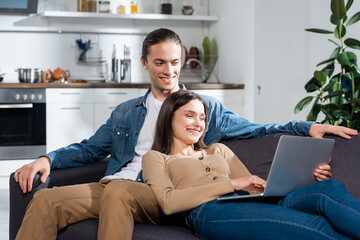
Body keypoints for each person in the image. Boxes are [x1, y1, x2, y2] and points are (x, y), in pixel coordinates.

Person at [14, 28, 357, 240]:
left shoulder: (203, 108)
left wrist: (305, 127)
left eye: (175, 61)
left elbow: (258, 130)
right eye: (160, 62)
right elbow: (90, 148)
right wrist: (48, 158)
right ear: (145, 63)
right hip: (121, 182)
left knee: (120, 190)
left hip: (155, 190)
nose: (169, 70)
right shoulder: (126, 112)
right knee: (46, 199)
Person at [142, 90, 360, 240]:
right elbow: (168, 202)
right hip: (208, 212)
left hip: (253, 204)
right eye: (189, 116)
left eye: (202, 117)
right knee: (314, 226)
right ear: (169, 118)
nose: (198, 123)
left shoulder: (217, 149)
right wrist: (232, 184)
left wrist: (305, 176)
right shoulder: (156, 158)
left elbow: (253, 189)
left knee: (327, 190)